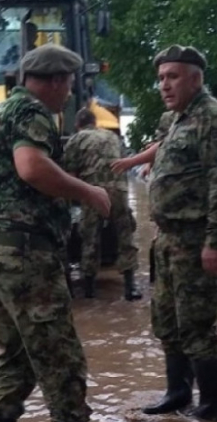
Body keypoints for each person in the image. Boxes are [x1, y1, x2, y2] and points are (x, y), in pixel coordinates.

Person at [0, 44, 116, 422]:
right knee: (57, 347)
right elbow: (30, 167)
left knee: (16, 347)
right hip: (26, 251)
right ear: (55, 81)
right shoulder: (33, 114)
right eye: (67, 84)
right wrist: (89, 192)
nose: (68, 93)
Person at [141, 45, 217, 421]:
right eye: (161, 78)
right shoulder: (174, 120)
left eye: (173, 77)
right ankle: (177, 393)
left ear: (196, 79)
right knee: (167, 322)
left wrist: (215, 243)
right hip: (167, 240)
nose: (164, 85)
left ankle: (213, 408)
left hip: (196, 239)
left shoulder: (215, 119)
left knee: (197, 325)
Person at [62, 108, 142, 301]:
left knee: (90, 238)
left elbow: (70, 177)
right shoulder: (112, 137)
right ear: (95, 122)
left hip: (94, 193)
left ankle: (89, 290)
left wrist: (71, 204)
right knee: (125, 237)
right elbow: (124, 164)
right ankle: (130, 288)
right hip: (119, 190)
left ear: (78, 124)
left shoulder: (76, 139)